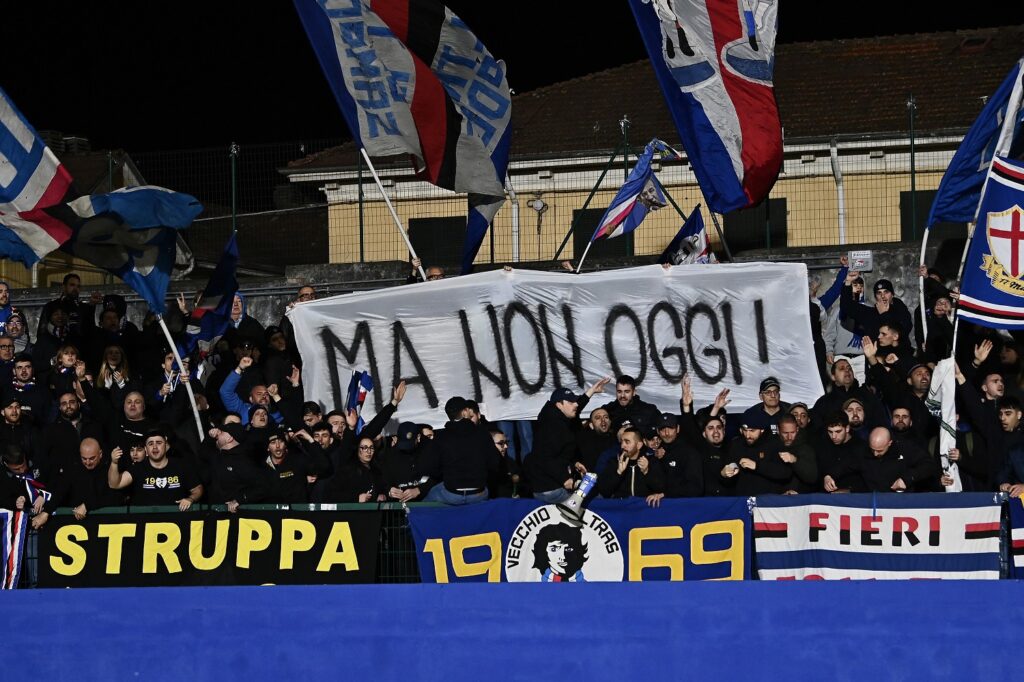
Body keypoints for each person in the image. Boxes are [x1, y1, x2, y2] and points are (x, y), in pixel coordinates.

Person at [529, 378, 610, 504]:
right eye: (571, 402)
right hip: (550, 489)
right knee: (597, 501)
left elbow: (576, 407)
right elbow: (545, 457)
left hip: (552, 482)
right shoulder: (553, 426)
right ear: (559, 404)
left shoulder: (556, 415)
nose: (576, 404)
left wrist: (591, 392)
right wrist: (565, 478)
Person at [421, 397, 500, 505]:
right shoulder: (482, 433)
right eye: (467, 409)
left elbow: (431, 467)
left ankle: (411, 520)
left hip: (452, 492)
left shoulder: (441, 437)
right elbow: (494, 463)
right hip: (478, 493)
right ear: (464, 412)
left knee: (423, 504)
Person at [33, 438, 122, 528]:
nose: (88, 462)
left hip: (105, 523)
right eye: (84, 458)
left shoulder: (109, 469)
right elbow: (61, 491)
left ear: (100, 454)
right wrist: (46, 512)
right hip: (76, 524)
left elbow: (112, 496)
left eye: (92, 458)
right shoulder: (74, 468)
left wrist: (87, 505)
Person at [107, 428, 203, 508]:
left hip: (176, 521)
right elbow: (115, 484)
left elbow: (197, 489)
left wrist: (190, 499)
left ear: (166, 446)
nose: (155, 447)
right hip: (144, 523)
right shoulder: (137, 469)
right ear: (146, 450)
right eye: (150, 444)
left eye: (159, 443)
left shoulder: (181, 466)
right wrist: (114, 463)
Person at [720, 412, 791, 496]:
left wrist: (757, 466)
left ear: (762, 429)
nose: (747, 435)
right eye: (744, 430)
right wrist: (724, 474)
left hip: (768, 501)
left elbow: (785, 472)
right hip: (743, 501)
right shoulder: (736, 444)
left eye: (752, 431)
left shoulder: (775, 443)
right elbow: (727, 482)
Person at [598, 426, 665, 499]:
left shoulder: (651, 461)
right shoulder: (615, 462)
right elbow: (604, 492)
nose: (622, 445)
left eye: (627, 442)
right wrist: (618, 473)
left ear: (639, 445)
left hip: (644, 507)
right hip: (622, 507)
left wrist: (646, 472)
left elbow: (661, 489)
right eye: (622, 441)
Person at [818, 411, 869, 493]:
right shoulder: (824, 446)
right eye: (830, 432)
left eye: (838, 431)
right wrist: (825, 477)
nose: (833, 436)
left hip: (855, 499)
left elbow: (868, 478)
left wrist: (848, 490)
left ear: (847, 428)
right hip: (827, 499)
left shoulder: (861, 447)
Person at [778, 415, 817, 494]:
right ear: (778, 431)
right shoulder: (772, 447)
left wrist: (795, 460)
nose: (789, 437)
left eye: (792, 432)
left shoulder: (805, 448)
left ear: (797, 430)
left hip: (799, 497)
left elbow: (812, 477)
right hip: (776, 497)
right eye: (785, 433)